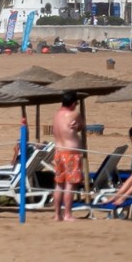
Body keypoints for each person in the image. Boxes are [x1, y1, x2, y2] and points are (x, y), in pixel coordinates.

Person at [51, 91, 84, 222]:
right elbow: (82, 125)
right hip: (71, 153)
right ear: (73, 103)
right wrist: (79, 125)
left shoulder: (56, 115)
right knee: (70, 185)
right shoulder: (74, 114)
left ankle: (57, 214)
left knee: (59, 184)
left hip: (59, 151)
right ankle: (67, 214)